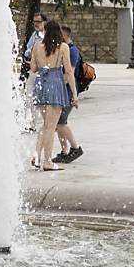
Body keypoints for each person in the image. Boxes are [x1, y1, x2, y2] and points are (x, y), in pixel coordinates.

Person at [30, 20, 78, 171]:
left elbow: (33, 68)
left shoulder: (37, 46)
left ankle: (36, 155)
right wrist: (74, 94)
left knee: (45, 125)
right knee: (50, 127)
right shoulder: (63, 47)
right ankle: (47, 161)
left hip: (41, 84)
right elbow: (69, 72)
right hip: (55, 83)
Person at [52, 25, 84, 164]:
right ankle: (64, 151)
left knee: (61, 122)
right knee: (59, 123)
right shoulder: (65, 49)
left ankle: (75, 148)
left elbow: (69, 72)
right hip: (63, 91)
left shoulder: (72, 51)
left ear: (64, 36)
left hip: (68, 92)